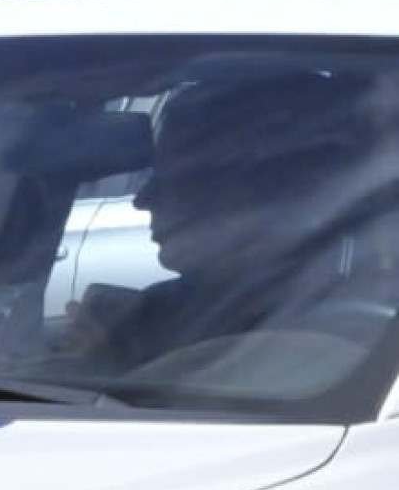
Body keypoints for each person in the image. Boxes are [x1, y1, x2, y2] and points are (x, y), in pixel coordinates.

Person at [70, 61, 399, 373]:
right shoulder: (150, 316)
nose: (143, 200)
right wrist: (99, 354)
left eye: (177, 178)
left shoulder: (367, 330)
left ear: (266, 189)